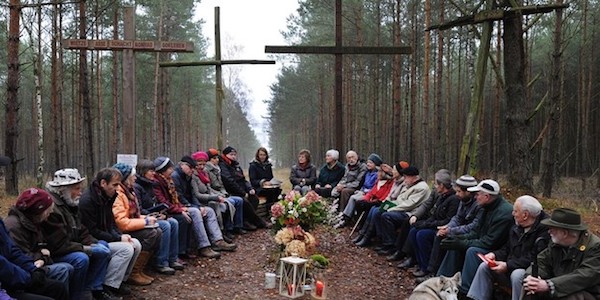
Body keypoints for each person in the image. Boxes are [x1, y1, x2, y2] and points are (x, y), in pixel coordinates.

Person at [43, 168, 115, 300]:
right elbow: (59, 244)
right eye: (76, 189)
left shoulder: (70, 204)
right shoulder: (52, 209)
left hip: (71, 246)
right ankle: (77, 294)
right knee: (81, 258)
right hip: (56, 253)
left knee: (102, 245)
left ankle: (94, 288)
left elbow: (81, 230)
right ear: (63, 190)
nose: (80, 192)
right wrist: (87, 248)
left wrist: (93, 242)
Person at [438, 179, 513, 296]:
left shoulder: (503, 214)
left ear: (487, 196)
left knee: (472, 251)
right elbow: (475, 232)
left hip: (498, 251)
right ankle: (441, 283)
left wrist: (463, 243)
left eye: (477, 194)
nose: (475, 197)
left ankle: (464, 291)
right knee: (455, 244)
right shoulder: (486, 207)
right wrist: (459, 239)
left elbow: (490, 242)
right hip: (487, 244)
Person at [468, 195, 549, 300]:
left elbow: (535, 258)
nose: (512, 214)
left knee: (517, 275)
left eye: (515, 211)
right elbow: (507, 248)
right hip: (510, 266)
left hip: (529, 273)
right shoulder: (517, 226)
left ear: (525, 215)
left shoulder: (544, 231)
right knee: (485, 266)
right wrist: (494, 255)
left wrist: (508, 265)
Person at [153, 156, 235, 259]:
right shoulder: (174, 177)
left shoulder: (185, 176)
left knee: (208, 211)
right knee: (195, 212)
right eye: (191, 167)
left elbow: (193, 195)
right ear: (183, 165)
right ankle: (204, 246)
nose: (193, 170)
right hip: (177, 208)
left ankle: (218, 240)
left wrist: (199, 206)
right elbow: (178, 198)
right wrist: (186, 208)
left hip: (182, 206)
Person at [79, 168, 141, 295]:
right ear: (103, 183)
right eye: (115, 184)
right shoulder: (88, 201)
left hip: (104, 236)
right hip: (93, 239)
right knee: (126, 249)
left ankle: (120, 281)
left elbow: (111, 223)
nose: (118, 188)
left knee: (136, 244)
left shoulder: (107, 196)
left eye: (119, 184)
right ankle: (108, 285)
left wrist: (120, 236)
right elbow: (92, 230)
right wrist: (118, 239)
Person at [4, 188, 74, 300]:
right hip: (19, 275)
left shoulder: (34, 221)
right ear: (39, 210)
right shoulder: (14, 226)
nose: (50, 213)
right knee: (64, 269)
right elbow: (18, 255)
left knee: (61, 281)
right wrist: (42, 257)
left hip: (30, 267)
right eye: (48, 210)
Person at [413, 174, 481, 283]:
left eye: (459, 191)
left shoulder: (478, 205)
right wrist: (448, 227)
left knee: (442, 238)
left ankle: (436, 274)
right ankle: (431, 271)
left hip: (470, 235)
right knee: (438, 234)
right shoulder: (464, 201)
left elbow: (472, 227)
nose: (457, 194)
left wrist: (450, 230)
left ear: (468, 192)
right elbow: (457, 217)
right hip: (460, 230)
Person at [522, 208, 600, 299]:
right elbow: (541, 261)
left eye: (552, 228)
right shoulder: (556, 243)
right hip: (560, 287)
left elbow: (585, 276)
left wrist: (550, 285)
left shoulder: (595, 247)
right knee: (530, 288)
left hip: (588, 292)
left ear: (564, 233)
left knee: (572, 297)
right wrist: (533, 277)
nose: (549, 231)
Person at [398, 170, 459, 278]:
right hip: (433, 223)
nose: (434, 186)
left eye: (436, 183)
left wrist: (427, 224)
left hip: (441, 227)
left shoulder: (453, 199)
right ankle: (419, 263)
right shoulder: (440, 194)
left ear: (442, 185)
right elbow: (429, 208)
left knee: (422, 235)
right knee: (413, 230)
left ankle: (427, 268)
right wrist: (419, 219)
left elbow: (447, 220)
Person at [112, 163, 162, 285]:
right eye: (132, 176)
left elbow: (132, 215)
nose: (135, 178)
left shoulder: (128, 192)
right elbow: (121, 222)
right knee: (151, 234)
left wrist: (148, 218)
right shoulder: (119, 195)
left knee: (158, 231)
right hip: (121, 231)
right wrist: (145, 222)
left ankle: (139, 269)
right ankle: (133, 272)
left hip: (129, 225)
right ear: (125, 178)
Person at [133, 159, 183, 275]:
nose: (153, 173)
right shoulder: (137, 187)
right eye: (151, 171)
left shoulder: (150, 184)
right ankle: (161, 262)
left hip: (153, 214)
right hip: (144, 217)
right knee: (165, 225)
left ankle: (172, 258)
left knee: (173, 222)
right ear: (143, 171)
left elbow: (154, 203)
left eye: (154, 171)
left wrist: (160, 211)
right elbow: (139, 209)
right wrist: (154, 215)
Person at [0, 217, 69, 300]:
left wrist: (32, 269)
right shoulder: (14, 223)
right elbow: (3, 267)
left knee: (58, 288)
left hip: (16, 275)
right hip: (7, 283)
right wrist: (29, 279)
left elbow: (13, 251)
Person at [373, 165, 431, 256]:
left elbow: (409, 204)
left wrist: (391, 209)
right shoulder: (410, 184)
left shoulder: (421, 188)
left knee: (386, 216)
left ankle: (390, 245)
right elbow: (400, 200)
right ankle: (383, 241)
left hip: (411, 213)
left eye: (406, 177)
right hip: (402, 209)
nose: (404, 179)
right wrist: (388, 206)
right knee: (378, 212)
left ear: (413, 177)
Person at [191, 151, 245, 241]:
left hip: (213, 195)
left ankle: (228, 229)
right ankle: (221, 233)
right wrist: (216, 197)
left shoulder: (204, 173)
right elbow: (197, 194)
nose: (201, 167)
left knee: (227, 203)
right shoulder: (194, 176)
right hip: (202, 201)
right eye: (199, 164)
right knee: (219, 206)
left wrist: (220, 195)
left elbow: (209, 189)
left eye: (203, 164)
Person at [354, 161, 409, 247]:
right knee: (372, 209)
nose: (393, 172)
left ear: (400, 172)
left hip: (394, 205)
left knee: (376, 210)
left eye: (395, 170)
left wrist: (384, 202)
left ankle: (369, 237)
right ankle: (364, 234)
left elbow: (397, 199)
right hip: (388, 202)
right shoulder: (396, 181)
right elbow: (388, 195)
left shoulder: (402, 184)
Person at [219, 146, 271, 230]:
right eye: (231, 154)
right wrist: (243, 193)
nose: (233, 156)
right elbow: (230, 182)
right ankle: (260, 223)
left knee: (254, 198)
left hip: (241, 190)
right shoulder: (223, 166)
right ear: (225, 155)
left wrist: (250, 188)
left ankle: (247, 221)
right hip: (231, 191)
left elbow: (243, 179)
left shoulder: (236, 165)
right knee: (245, 200)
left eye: (234, 154)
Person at [333, 163, 393, 229]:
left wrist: (371, 201)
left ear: (383, 174)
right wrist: (366, 199)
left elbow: (385, 195)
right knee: (360, 203)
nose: (377, 173)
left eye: (379, 172)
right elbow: (371, 192)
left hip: (379, 202)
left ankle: (363, 227)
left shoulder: (389, 183)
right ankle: (353, 221)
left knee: (365, 205)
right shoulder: (378, 181)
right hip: (370, 198)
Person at [249, 147, 282, 214]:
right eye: (261, 155)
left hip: (269, 187)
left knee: (277, 190)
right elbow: (253, 180)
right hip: (258, 188)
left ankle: (274, 210)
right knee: (270, 192)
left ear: (266, 155)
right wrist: (263, 182)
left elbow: (271, 177)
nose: (262, 157)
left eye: (264, 155)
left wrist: (274, 182)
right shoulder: (253, 165)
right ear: (257, 155)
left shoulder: (268, 165)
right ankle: (268, 211)